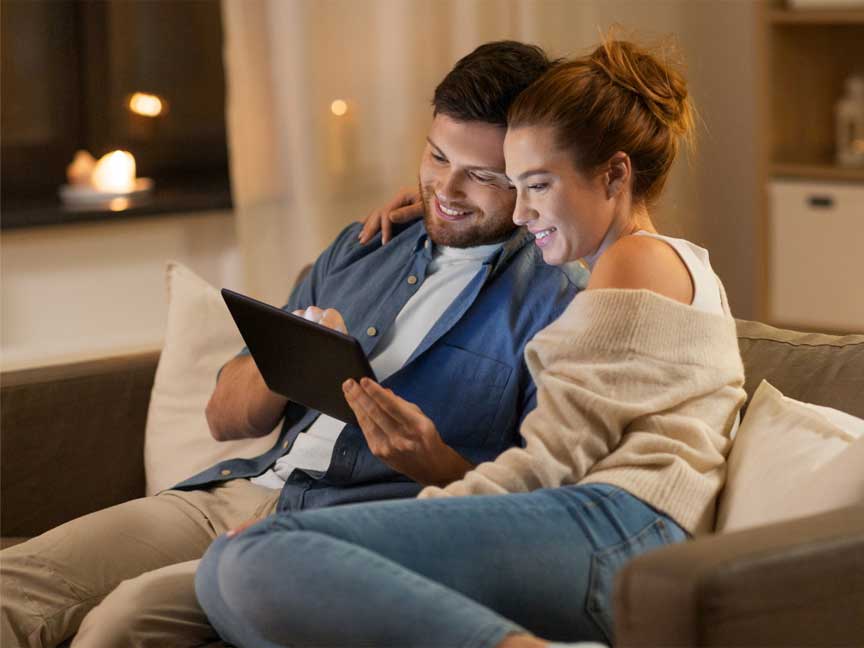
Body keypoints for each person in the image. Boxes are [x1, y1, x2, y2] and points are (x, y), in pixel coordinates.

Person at [0, 41, 585, 648]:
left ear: (527, 170)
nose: (446, 188)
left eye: (482, 176)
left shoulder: (556, 303)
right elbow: (224, 418)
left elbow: (542, 510)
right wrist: (291, 357)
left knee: (123, 619)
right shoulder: (367, 246)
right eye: (437, 156)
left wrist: (432, 461)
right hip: (238, 492)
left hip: (351, 531)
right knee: (14, 583)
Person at [195, 36, 747, 648]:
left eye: (535, 185)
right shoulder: (663, 264)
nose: (517, 213)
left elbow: (549, 464)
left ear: (615, 174)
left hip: (614, 530)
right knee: (236, 577)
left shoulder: (632, 263)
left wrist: (405, 512)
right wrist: (438, 209)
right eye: (511, 186)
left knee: (247, 563)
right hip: (603, 533)